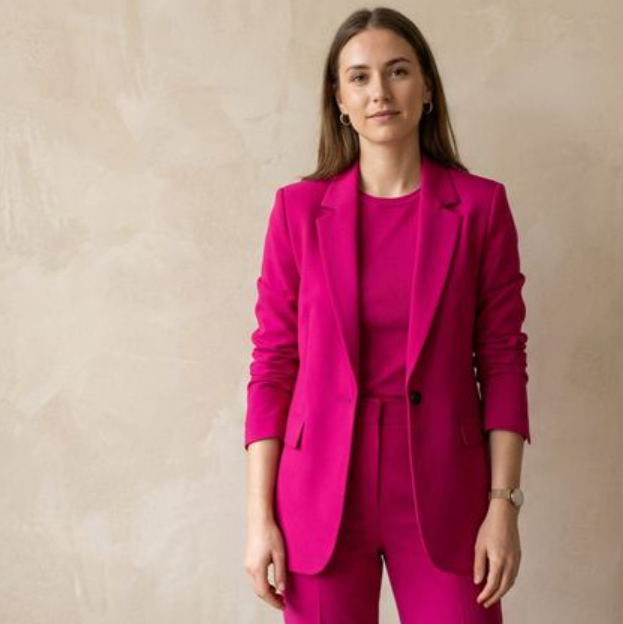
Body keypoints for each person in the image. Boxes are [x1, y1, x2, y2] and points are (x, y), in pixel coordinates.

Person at [243, 7, 531, 622]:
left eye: (397, 71)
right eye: (359, 77)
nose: (379, 91)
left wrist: (502, 505)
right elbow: (273, 365)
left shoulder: (480, 208)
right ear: (339, 100)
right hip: (320, 492)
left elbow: (503, 360)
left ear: (426, 89)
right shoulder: (297, 212)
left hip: (446, 490)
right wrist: (259, 517)